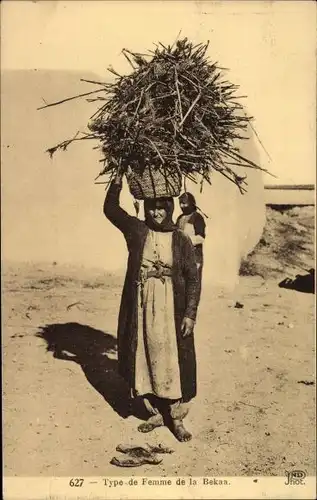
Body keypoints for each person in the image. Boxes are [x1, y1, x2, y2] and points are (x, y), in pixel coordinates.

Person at [103, 169, 199, 442]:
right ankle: (154, 411)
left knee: (170, 356)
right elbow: (111, 209)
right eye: (152, 208)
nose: (156, 214)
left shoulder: (181, 239)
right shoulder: (137, 230)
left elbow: (193, 278)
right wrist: (118, 178)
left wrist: (190, 314)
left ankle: (176, 418)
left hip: (172, 308)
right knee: (144, 354)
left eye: (161, 208)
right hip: (143, 306)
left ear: (169, 208)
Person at [177, 192, 206, 304]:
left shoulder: (197, 217)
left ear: (191, 203)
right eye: (181, 203)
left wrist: (185, 241)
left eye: (184, 203)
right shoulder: (180, 218)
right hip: (182, 257)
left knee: (193, 286)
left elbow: (201, 238)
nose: (182, 206)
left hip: (195, 257)